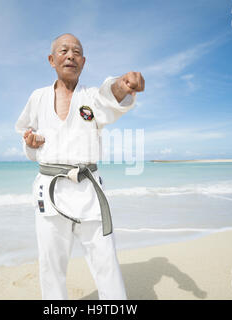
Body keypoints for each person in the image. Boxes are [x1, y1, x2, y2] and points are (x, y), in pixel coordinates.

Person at [15, 33, 144, 300]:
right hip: (49, 192)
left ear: (83, 62)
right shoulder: (37, 97)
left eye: (76, 52)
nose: (70, 55)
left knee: (105, 260)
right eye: (64, 51)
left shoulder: (91, 97)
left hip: (89, 190)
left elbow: (111, 97)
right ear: (52, 60)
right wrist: (32, 142)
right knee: (51, 264)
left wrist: (124, 84)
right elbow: (26, 136)